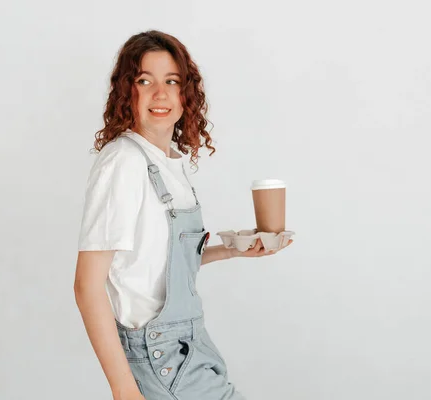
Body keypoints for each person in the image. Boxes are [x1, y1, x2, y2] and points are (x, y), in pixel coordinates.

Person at [73, 30, 292, 400]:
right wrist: (124, 390)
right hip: (159, 355)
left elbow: (154, 266)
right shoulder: (124, 161)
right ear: (128, 91)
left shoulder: (169, 162)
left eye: (172, 81)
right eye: (145, 80)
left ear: (185, 93)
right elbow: (88, 286)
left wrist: (234, 249)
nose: (161, 94)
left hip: (190, 345)